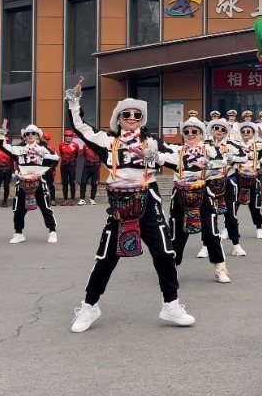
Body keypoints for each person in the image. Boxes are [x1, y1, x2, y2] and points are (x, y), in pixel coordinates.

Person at [65, 78, 195, 332]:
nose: (132, 118)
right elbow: (81, 128)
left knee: (165, 253)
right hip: (120, 205)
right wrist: (74, 100)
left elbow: (179, 160)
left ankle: (171, 304)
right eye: (127, 114)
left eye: (137, 115)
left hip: (148, 202)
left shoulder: (152, 142)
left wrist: (154, 156)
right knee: (106, 257)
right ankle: (89, 306)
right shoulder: (106, 141)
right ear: (118, 118)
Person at [159, 113, 231, 283]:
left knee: (211, 233)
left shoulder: (209, 149)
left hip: (203, 194)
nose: (191, 134)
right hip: (180, 195)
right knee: (176, 234)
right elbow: (161, 158)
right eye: (187, 132)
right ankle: (172, 268)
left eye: (194, 131)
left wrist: (206, 164)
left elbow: (223, 161)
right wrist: (151, 154)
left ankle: (220, 268)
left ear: (201, 133)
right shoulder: (177, 150)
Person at [0, 121, 60, 244]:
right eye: (27, 134)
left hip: (38, 182)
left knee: (45, 207)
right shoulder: (18, 149)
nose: (30, 135)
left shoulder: (43, 148)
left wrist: (42, 160)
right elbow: (2, 146)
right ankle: (18, 233)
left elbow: (55, 158)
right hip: (23, 182)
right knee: (18, 209)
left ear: (37, 136)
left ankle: (52, 231)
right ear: (24, 136)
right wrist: (2, 132)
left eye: (33, 133)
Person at [207, 118, 249, 256]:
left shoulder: (231, 144)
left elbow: (244, 157)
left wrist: (230, 158)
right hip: (209, 183)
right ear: (212, 130)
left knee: (231, 215)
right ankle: (206, 245)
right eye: (217, 128)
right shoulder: (205, 144)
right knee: (208, 216)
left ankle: (236, 244)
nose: (219, 131)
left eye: (223, 130)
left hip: (228, 181)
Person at [232, 121, 262, 237]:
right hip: (238, 177)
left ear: (253, 133)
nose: (245, 133)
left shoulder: (257, 145)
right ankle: (228, 227)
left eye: (248, 131)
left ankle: (259, 227)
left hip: (253, 177)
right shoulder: (236, 146)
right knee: (233, 204)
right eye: (243, 131)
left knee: (255, 205)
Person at [58, 130, 81, 206]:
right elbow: (61, 154)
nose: (68, 137)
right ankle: (65, 199)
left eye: (70, 136)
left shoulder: (75, 145)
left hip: (72, 165)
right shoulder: (61, 145)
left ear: (72, 137)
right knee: (64, 183)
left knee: (72, 182)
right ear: (64, 137)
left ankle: (72, 199)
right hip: (64, 165)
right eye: (66, 136)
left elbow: (76, 154)